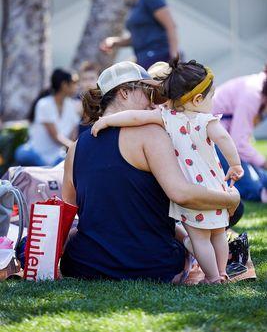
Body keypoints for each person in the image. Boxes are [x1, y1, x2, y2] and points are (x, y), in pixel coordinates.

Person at [61, 61, 240, 283]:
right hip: (152, 265)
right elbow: (181, 194)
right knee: (232, 210)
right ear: (124, 92)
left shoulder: (76, 146)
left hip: (85, 264)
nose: (155, 104)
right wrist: (230, 199)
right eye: (149, 93)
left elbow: (69, 209)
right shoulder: (150, 133)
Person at [100, 0, 178, 69]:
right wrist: (114, 42)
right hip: (144, 59)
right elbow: (137, 37)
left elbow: (170, 26)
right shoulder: (136, 4)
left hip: (159, 58)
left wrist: (174, 59)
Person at [212, 66, 267, 202]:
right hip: (213, 139)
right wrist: (264, 162)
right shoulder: (253, 94)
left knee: (259, 177)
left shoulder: (258, 85)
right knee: (253, 189)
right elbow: (239, 144)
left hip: (223, 137)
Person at [15, 69, 80, 166]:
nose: (77, 86)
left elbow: (73, 135)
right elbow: (55, 136)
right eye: (74, 83)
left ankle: (47, 171)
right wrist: (75, 148)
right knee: (22, 154)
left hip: (58, 157)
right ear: (64, 85)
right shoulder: (44, 104)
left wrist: (72, 150)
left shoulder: (72, 106)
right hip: (37, 154)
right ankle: (47, 170)